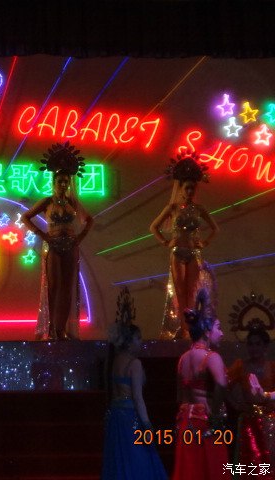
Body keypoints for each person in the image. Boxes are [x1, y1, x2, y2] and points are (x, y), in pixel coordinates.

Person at [22, 142, 93, 340]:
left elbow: (89, 220)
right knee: (53, 287)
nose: (63, 185)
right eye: (60, 181)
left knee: (67, 287)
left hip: (70, 246)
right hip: (53, 245)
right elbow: (25, 217)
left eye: (66, 182)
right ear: (54, 182)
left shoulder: (73, 203)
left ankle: (62, 329)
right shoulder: (47, 201)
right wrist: (41, 234)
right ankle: (51, 329)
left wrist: (79, 238)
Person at [150, 150, 219, 339]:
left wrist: (204, 242)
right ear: (180, 188)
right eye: (187, 188)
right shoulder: (172, 208)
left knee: (193, 291)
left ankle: (191, 328)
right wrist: (165, 242)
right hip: (177, 252)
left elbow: (215, 228)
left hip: (193, 252)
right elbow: (154, 227)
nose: (189, 192)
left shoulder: (199, 209)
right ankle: (183, 328)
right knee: (179, 291)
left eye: (192, 189)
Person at [102, 288, 167, 479]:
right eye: (138, 338)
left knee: (119, 460)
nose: (141, 342)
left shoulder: (114, 361)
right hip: (130, 418)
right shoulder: (134, 363)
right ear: (129, 342)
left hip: (115, 418)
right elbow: (138, 398)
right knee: (138, 461)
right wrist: (147, 424)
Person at [172, 290, 228, 480]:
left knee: (190, 470)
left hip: (185, 421)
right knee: (211, 468)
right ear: (206, 331)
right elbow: (221, 385)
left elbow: (180, 395)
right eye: (218, 328)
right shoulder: (211, 357)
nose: (222, 333)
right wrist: (215, 414)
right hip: (205, 421)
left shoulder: (183, 359)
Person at [227, 326, 275, 476]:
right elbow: (223, 387)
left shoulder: (272, 367)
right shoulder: (240, 366)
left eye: (258, 344)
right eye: (250, 344)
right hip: (249, 421)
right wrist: (236, 405)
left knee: (269, 462)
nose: (254, 348)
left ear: (265, 346)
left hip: (270, 422)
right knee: (249, 463)